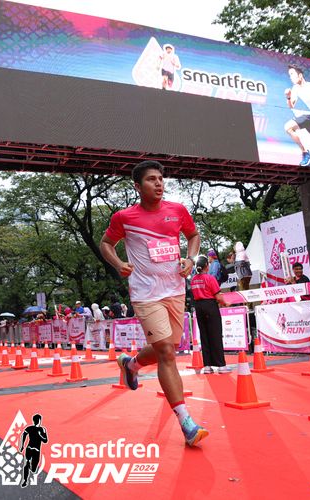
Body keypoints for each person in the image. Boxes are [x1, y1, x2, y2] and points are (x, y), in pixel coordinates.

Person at [99, 160, 208, 447]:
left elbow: (193, 235)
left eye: (160, 178)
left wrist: (191, 259)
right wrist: (118, 264)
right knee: (167, 352)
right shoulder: (124, 217)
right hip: (145, 292)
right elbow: (106, 243)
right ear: (138, 186)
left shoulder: (177, 210)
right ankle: (186, 422)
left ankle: (131, 364)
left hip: (175, 289)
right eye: (151, 179)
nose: (158, 183)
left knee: (169, 347)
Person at [190, 255, 229, 373]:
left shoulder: (193, 280)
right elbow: (218, 297)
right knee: (216, 335)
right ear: (207, 266)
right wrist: (225, 303)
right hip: (210, 306)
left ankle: (207, 366)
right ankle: (221, 365)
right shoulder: (210, 278)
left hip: (199, 307)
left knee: (204, 336)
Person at [18, 413, 48, 488]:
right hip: (31, 449)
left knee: (33, 469)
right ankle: (25, 480)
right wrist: (22, 445)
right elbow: (24, 435)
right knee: (27, 463)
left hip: (34, 450)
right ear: (38, 420)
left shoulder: (42, 429)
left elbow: (45, 440)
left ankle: (30, 467)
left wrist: (40, 435)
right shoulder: (31, 428)